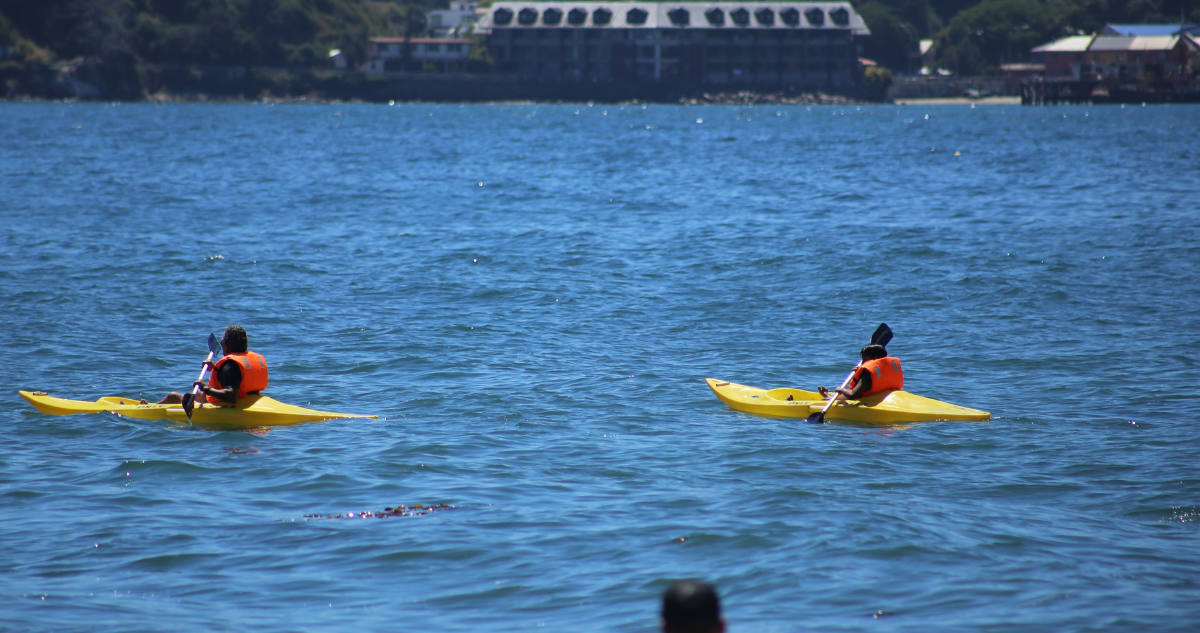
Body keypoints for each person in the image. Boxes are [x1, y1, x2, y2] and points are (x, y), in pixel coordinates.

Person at [157, 325, 268, 406]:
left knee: (173, 396)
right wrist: (216, 369)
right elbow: (237, 378)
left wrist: (206, 388)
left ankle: (148, 407)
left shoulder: (230, 364)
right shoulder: (240, 362)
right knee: (197, 394)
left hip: (225, 404)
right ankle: (151, 404)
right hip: (248, 398)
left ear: (226, 346)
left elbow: (231, 396)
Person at [818, 343, 903, 401]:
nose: (862, 362)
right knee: (826, 399)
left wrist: (841, 389)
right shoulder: (887, 367)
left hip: (870, 401)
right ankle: (828, 398)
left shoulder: (867, 373)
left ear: (875, 357)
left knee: (827, 399)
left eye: (865, 359)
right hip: (886, 397)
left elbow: (852, 395)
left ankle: (828, 398)